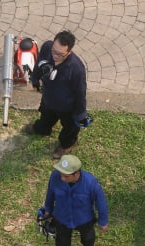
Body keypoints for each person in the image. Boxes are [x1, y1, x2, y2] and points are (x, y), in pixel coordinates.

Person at [22, 30, 89, 159]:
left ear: (69, 52)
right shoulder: (47, 47)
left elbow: (80, 93)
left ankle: (67, 145)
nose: (54, 56)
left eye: (60, 54)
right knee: (45, 118)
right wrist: (35, 79)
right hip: (48, 99)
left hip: (67, 107)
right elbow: (39, 63)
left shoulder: (76, 69)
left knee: (69, 129)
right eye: (54, 50)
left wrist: (80, 114)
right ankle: (41, 130)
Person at [39, 155, 109, 246]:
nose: (62, 177)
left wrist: (103, 221)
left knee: (88, 237)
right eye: (61, 173)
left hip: (84, 218)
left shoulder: (90, 182)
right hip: (62, 218)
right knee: (62, 241)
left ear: (77, 174)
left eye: (66, 176)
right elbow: (50, 193)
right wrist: (48, 210)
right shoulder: (55, 177)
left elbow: (101, 201)